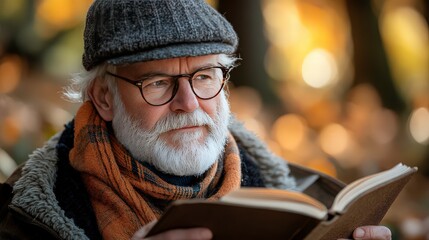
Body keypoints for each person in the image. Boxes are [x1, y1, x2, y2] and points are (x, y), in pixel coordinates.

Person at [0, 0, 392, 239]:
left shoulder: (295, 197)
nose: (188, 103)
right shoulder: (24, 217)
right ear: (104, 97)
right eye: (157, 83)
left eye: (204, 76)